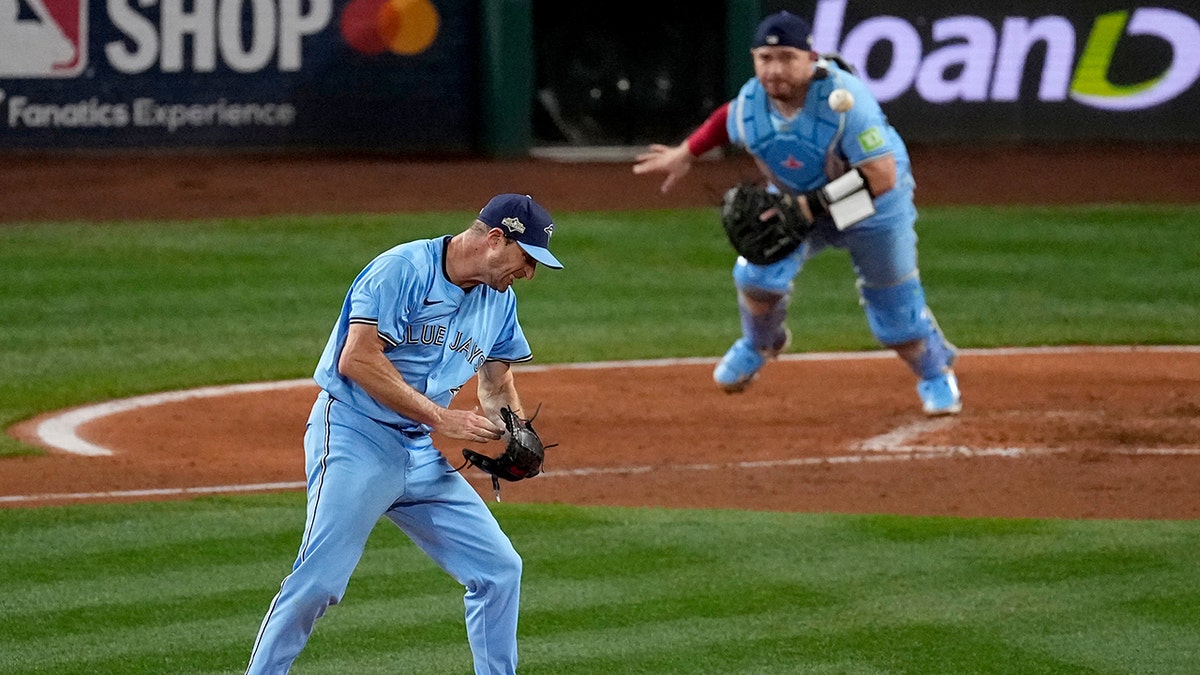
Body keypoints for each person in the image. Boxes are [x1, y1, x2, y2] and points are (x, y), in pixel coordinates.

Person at [244, 194, 564, 674]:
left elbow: (496, 383)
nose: (529, 274)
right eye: (527, 259)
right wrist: (442, 417)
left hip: (418, 451)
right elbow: (357, 359)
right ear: (497, 239)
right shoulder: (403, 269)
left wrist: (514, 428)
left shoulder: (500, 301)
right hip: (356, 435)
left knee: (499, 571)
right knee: (319, 582)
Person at [632, 9, 961, 415]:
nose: (774, 70)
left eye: (787, 57)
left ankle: (935, 374)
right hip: (798, 199)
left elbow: (881, 175)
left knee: (895, 312)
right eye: (765, 59)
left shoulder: (847, 103)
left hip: (873, 204)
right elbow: (727, 120)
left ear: (810, 58)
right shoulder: (754, 103)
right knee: (756, 275)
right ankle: (761, 343)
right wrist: (686, 151)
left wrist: (805, 207)